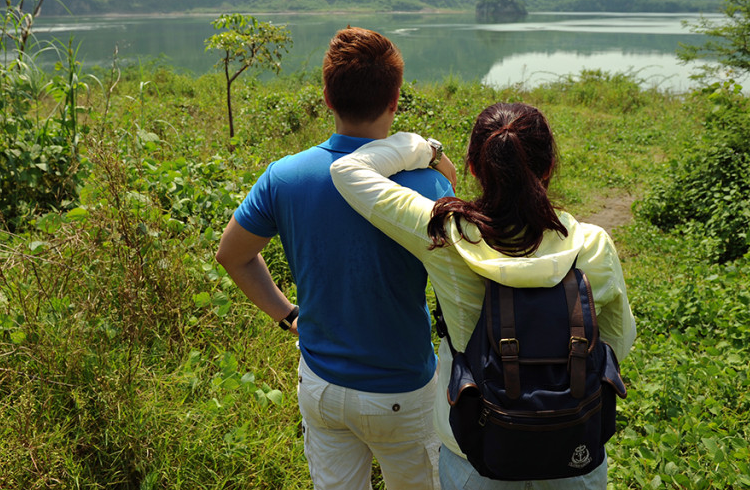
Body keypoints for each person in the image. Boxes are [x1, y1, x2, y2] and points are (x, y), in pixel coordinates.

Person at [329, 102, 637, 489]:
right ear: (548, 169)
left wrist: (429, 150)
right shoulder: (592, 245)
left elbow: (347, 171)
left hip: (477, 449)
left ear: (475, 167)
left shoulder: (449, 236)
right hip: (574, 443)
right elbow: (618, 341)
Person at [214, 26, 456, 490]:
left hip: (322, 387)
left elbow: (232, 255)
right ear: (395, 100)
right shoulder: (428, 187)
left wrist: (288, 316)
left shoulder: (284, 177)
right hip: (403, 391)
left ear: (326, 96)